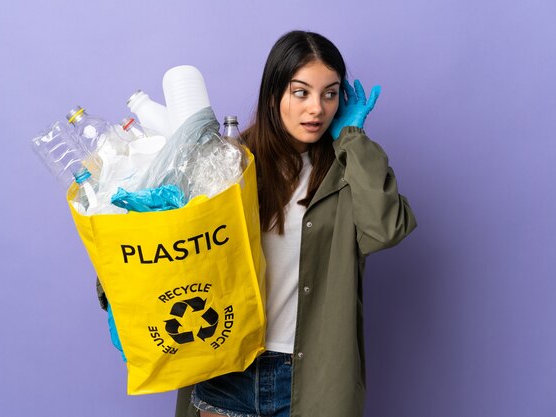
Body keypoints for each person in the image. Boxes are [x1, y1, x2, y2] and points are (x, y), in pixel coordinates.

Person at [174, 30, 417, 417]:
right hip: (227, 368)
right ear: (275, 96)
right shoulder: (229, 162)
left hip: (308, 377)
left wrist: (353, 139)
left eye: (330, 93)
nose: (317, 109)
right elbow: (170, 238)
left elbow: (386, 229)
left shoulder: (347, 170)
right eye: (301, 92)